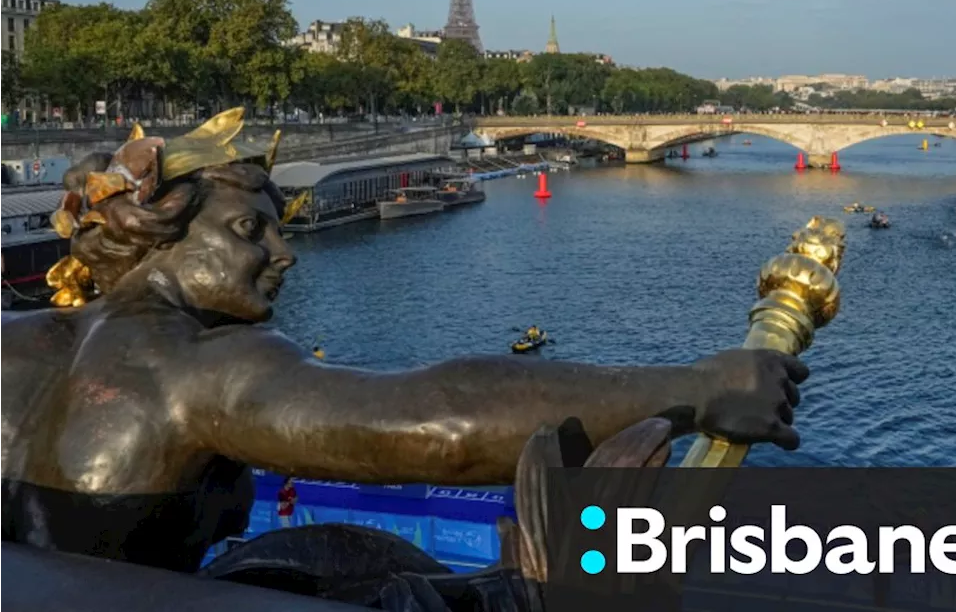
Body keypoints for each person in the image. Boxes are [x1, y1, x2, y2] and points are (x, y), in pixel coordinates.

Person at [0, 110, 807, 578]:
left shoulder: (23, 341)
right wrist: (702, 388)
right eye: (251, 229)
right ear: (162, 235)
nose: (283, 254)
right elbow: (438, 421)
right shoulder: (193, 365)